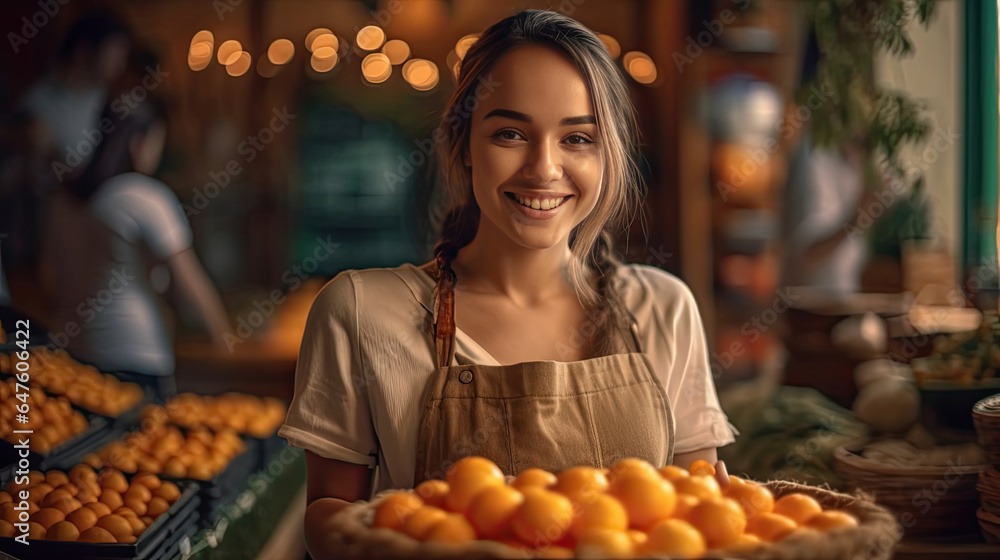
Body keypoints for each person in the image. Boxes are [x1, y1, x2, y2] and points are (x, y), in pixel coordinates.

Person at [279, 11, 736, 557]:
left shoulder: (663, 307)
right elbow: (326, 517)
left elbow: (697, 513)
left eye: (578, 138)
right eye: (510, 133)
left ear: (608, 154)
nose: (544, 168)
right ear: (463, 144)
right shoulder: (359, 311)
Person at [39, 95, 230, 402]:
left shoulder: (63, 201)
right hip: (135, 357)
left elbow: (47, 280)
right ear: (138, 142)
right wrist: (224, 341)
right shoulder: (145, 196)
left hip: (71, 355)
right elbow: (190, 282)